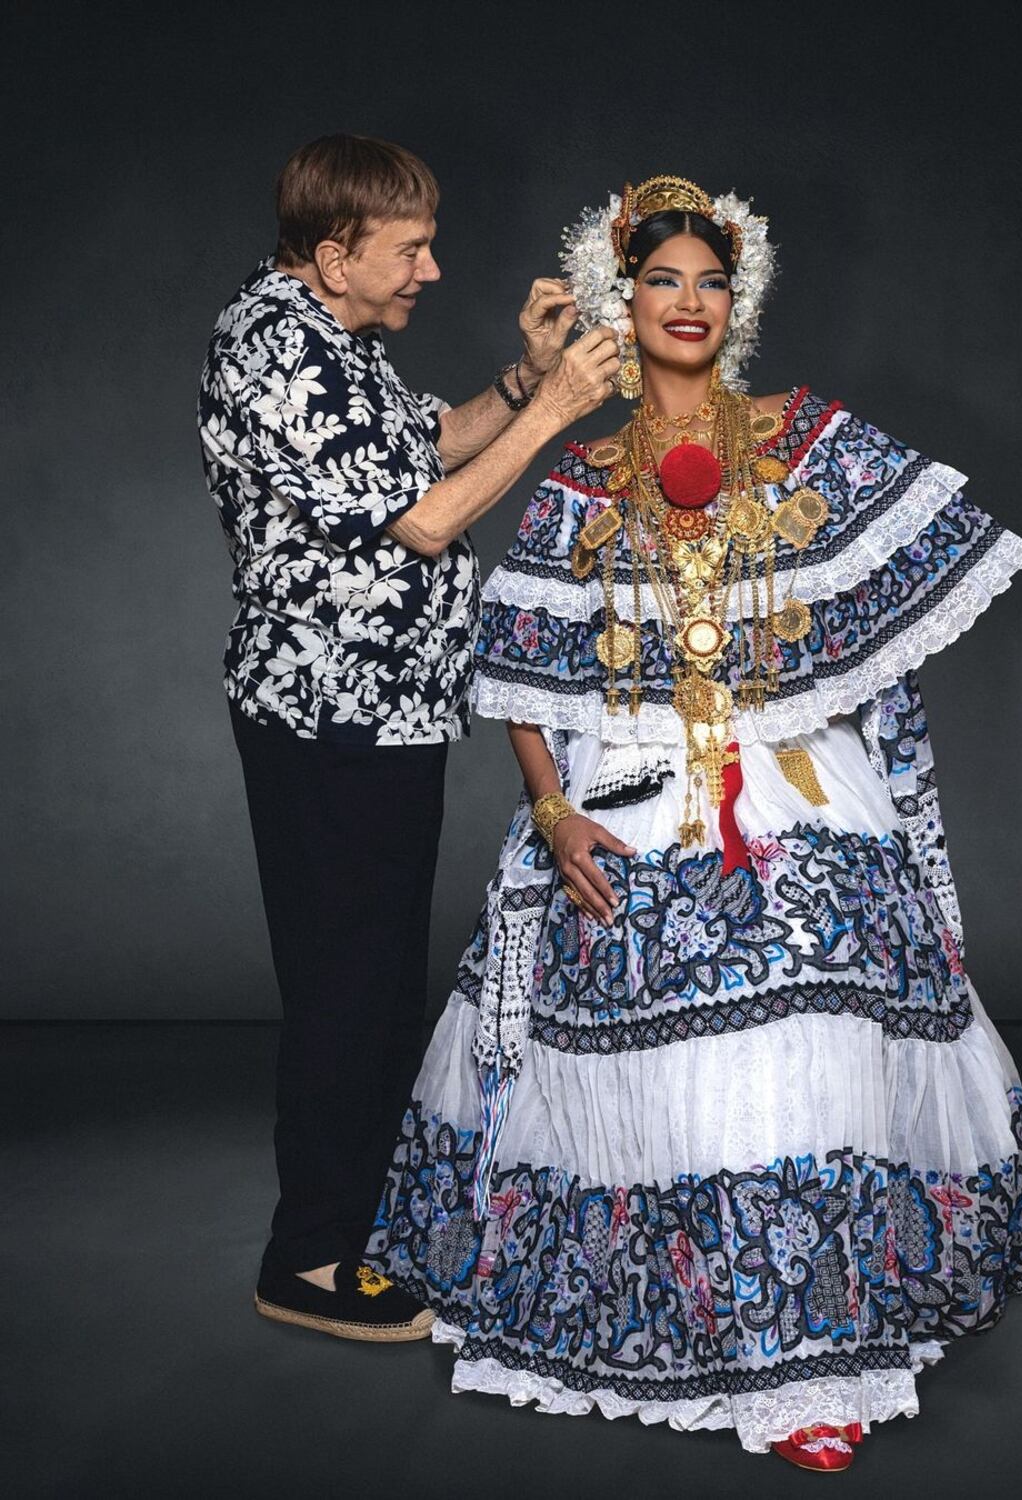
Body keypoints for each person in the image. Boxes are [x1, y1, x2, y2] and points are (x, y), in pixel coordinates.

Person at [366, 175, 1022, 1465]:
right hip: (623, 792)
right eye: (661, 282)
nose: (688, 303)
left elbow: (900, 602)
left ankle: (810, 1359)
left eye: (709, 282)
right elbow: (520, 663)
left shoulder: (804, 439)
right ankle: (713, 1315)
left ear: (731, 305)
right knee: (632, 1025)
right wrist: (554, 806)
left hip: (793, 786)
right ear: (617, 305)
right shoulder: (578, 473)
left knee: (824, 1003)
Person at [197, 135, 619, 1342]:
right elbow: (426, 523)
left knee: (376, 981)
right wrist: (558, 412)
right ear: (335, 256)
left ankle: (352, 1229)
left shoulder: (332, 339)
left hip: (386, 711)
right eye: (409, 248)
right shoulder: (272, 340)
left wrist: (521, 379)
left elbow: (427, 448)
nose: (432, 269)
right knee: (347, 983)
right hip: (328, 713)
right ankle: (308, 1262)